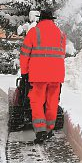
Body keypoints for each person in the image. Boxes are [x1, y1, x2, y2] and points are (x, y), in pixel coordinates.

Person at [19, 10, 66, 144]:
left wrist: (24, 72)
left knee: (37, 102)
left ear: (40, 19)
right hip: (56, 76)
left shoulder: (34, 32)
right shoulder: (61, 34)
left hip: (38, 75)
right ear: (52, 20)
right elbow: (61, 55)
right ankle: (49, 128)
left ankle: (40, 131)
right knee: (52, 101)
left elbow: (24, 54)